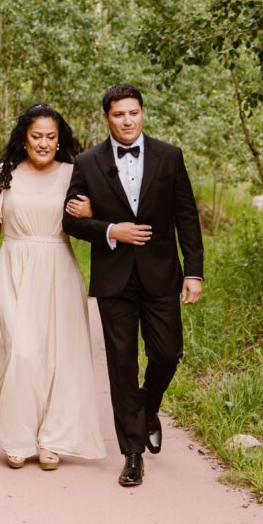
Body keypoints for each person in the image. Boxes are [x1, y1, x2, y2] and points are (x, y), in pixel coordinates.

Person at [63, 83, 203, 487]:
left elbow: (186, 217)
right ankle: (133, 454)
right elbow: (70, 220)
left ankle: (147, 406)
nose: (127, 120)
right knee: (121, 364)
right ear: (106, 118)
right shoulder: (88, 162)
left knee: (167, 352)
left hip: (161, 274)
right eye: (119, 114)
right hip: (114, 279)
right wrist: (111, 229)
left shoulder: (169, 156)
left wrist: (194, 271)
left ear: (142, 113)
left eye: (133, 112)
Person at [0, 103, 106, 470]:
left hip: (58, 267)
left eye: (51, 137)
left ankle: (52, 440)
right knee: (21, 352)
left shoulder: (76, 173)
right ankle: (17, 438)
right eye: (36, 136)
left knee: (59, 357)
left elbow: (95, 215)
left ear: (59, 141)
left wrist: (91, 212)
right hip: (13, 266)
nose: (43, 143)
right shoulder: (2, 176)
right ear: (23, 138)